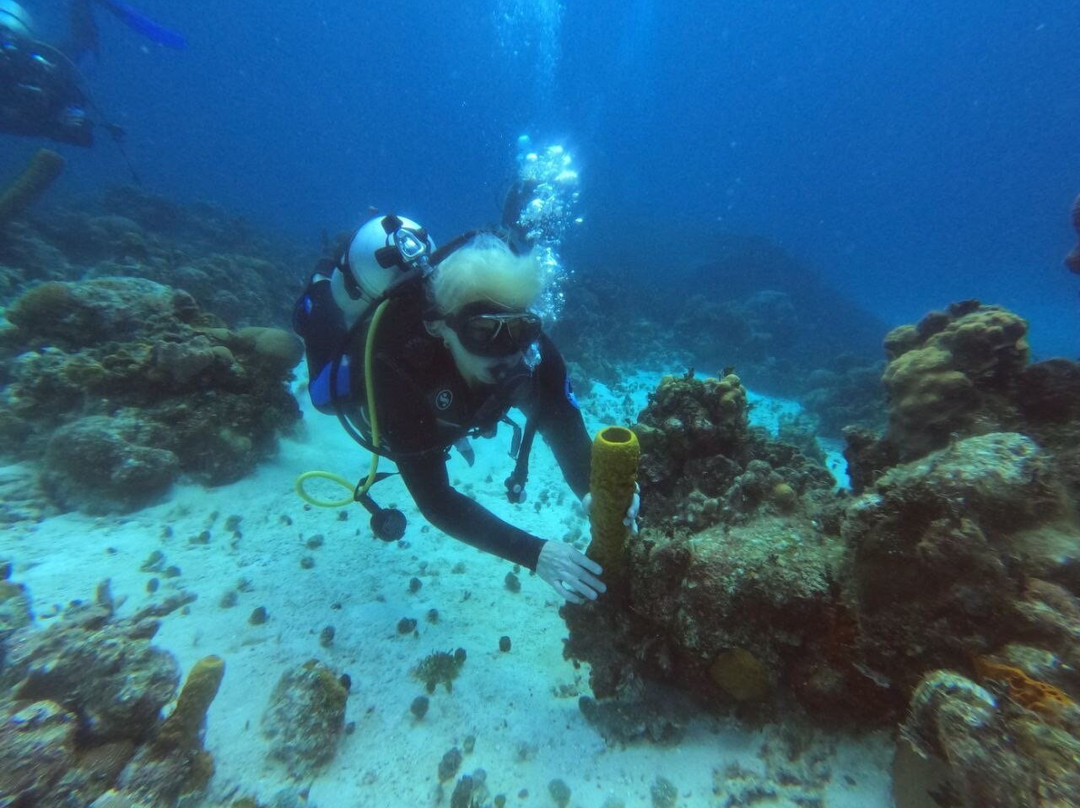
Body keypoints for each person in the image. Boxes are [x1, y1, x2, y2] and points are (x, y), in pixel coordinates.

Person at [294, 210, 636, 604]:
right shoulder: (398, 373)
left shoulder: (533, 354)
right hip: (369, 369)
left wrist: (592, 491)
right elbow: (436, 501)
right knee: (325, 394)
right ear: (439, 327)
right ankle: (322, 282)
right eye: (483, 332)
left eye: (521, 329)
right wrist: (534, 553)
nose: (508, 352)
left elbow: (562, 422)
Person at [0, 0, 184, 148]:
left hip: (48, 69)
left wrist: (67, 117)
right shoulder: (37, 69)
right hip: (45, 75)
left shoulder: (40, 69)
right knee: (83, 55)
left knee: (83, 56)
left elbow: (79, 129)